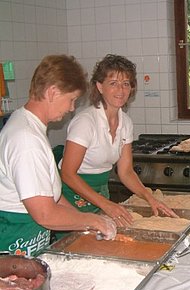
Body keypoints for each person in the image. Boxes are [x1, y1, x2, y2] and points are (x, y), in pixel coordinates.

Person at [0, 55, 117, 257]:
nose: (71, 108)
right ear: (53, 92)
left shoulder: (30, 126)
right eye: (71, 100)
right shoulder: (26, 140)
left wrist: (81, 219)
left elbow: (52, 195)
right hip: (13, 242)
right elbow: (45, 213)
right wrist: (93, 220)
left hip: (29, 240)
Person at [59, 54, 177, 231]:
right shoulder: (86, 122)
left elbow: (126, 171)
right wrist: (106, 205)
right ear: (100, 86)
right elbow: (68, 174)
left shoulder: (125, 123)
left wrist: (149, 197)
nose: (120, 90)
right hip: (72, 196)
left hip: (100, 193)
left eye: (126, 83)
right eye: (113, 83)